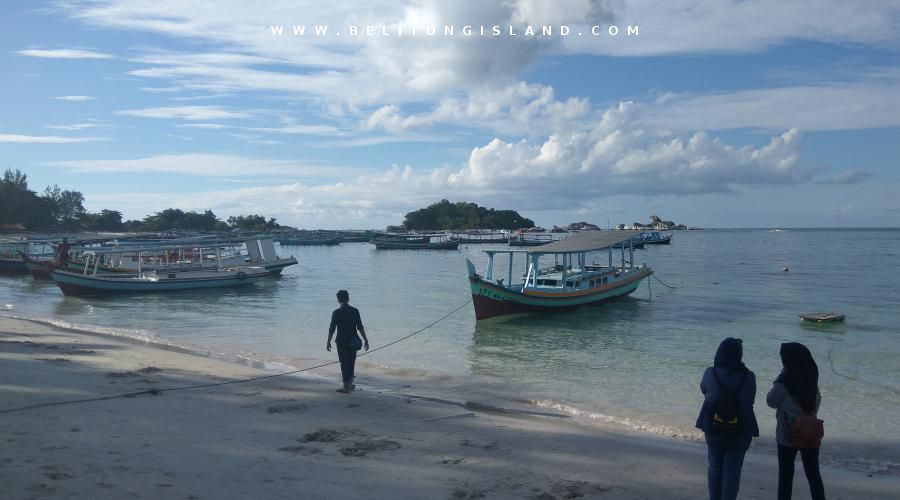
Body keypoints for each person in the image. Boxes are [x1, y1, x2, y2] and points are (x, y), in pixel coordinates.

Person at [695, 337, 759, 500]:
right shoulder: (749, 377)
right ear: (739, 355)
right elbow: (750, 400)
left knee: (715, 467)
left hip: (713, 424)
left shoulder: (710, 373)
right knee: (733, 470)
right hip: (741, 428)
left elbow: (704, 390)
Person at [767, 343, 825, 500]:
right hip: (810, 432)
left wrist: (780, 377)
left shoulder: (784, 382)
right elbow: (817, 402)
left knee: (785, 477)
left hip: (787, 434)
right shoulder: (812, 379)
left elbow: (770, 401)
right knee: (813, 475)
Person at [326, 289, 369, 393]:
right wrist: (366, 340)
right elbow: (360, 327)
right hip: (353, 340)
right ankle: (350, 384)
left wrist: (328, 341)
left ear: (338, 300)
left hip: (341, 341)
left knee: (344, 363)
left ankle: (346, 387)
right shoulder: (355, 311)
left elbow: (332, 328)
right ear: (348, 299)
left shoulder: (336, 312)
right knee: (351, 362)